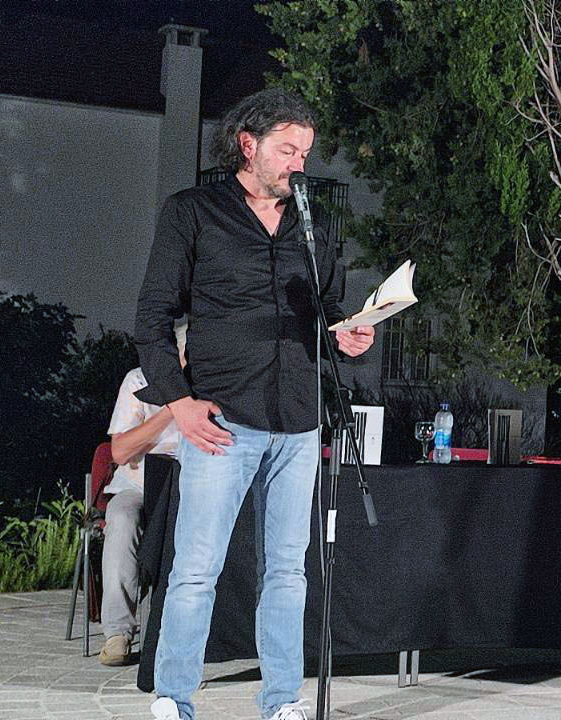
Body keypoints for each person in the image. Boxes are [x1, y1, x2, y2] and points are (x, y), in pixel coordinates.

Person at [134, 88, 375, 720]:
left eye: (305, 152)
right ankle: (174, 698)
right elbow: (152, 318)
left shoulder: (309, 222)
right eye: (287, 150)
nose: (299, 163)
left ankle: (281, 702)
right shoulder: (193, 212)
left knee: (289, 573)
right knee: (196, 569)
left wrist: (347, 336)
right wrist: (179, 403)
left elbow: (324, 312)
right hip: (221, 419)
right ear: (248, 144)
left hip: (297, 418)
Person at [97, 321, 187, 667]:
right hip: (139, 485)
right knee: (122, 518)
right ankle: (118, 633)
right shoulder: (139, 381)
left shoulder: (213, 386)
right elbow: (120, 452)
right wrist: (172, 408)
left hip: (188, 485)